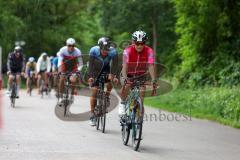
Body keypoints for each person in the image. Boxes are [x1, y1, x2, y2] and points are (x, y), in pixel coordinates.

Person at [118, 30, 157, 116]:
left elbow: (151, 65)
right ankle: (123, 104)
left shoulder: (149, 51)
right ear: (133, 42)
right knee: (127, 85)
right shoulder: (127, 51)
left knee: (141, 94)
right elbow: (125, 65)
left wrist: (154, 80)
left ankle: (138, 116)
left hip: (140, 75)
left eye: (142, 43)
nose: (139, 46)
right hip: (127, 74)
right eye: (137, 43)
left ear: (145, 43)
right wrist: (125, 78)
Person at [88, 37, 118, 126]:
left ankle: (107, 96)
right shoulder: (93, 51)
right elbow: (90, 65)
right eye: (103, 49)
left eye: (107, 49)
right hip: (95, 70)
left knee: (111, 80)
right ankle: (93, 115)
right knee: (94, 92)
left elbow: (115, 65)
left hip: (106, 69)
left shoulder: (113, 52)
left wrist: (113, 75)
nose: (105, 51)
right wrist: (90, 77)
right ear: (99, 47)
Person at [58, 38, 83, 104]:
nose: (71, 47)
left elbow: (80, 64)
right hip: (64, 66)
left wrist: (78, 71)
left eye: (73, 46)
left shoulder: (78, 51)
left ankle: (71, 95)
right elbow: (60, 61)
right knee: (62, 79)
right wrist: (59, 69)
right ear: (66, 45)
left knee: (73, 80)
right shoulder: (62, 50)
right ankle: (60, 96)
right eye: (69, 45)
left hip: (73, 67)